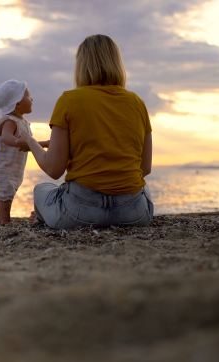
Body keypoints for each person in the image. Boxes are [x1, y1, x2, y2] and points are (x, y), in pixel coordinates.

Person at [18, 34, 154, 229]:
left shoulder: (69, 100)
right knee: (144, 190)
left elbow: (54, 169)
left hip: (80, 213)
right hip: (133, 214)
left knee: (42, 189)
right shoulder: (137, 103)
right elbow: (145, 168)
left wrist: (31, 142)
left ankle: (48, 215)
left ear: (81, 65)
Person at [0, 79, 48, 225]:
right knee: (4, 195)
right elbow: (7, 138)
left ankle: (5, 219)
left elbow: (29, 144)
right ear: (17, 103)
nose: (32, 99)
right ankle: (4, 221)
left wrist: (45, 144)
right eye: (28, 96)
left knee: (10, 191)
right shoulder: (9, 121)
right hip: (0, 168)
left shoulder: (22, 122)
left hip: (11, 168)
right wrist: (17, 141)